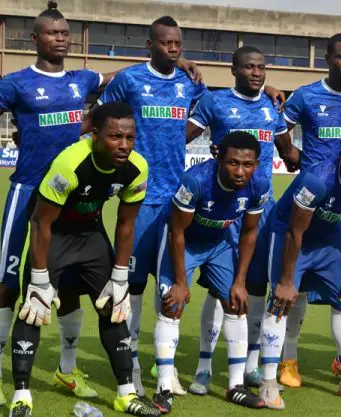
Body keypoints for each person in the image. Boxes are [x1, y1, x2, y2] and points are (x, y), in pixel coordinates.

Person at [84, 16, 209, 396]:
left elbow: (211, 110)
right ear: (150, 45)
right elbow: (98, 118)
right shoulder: (130, 80)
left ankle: (165, 370)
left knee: (169, 287)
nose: (174, 48)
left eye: (178, 44)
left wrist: (268, 87)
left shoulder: (189, 81)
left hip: (176, 200)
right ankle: (133, 366)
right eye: (167, 43)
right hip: (138, 196)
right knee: (133, 287)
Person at [9, 102, 161, 417]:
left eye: (130, 137)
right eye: (115, 137)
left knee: (114, 307)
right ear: (95, 135)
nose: (124, 145)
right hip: (54, 234)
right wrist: (39, 279)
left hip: (91, 235)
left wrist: (120, 277)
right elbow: (41, 221)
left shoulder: (137, 168)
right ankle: (21, 396)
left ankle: (126, 395)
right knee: (33, 308)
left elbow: (126, 223)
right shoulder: (70, 163)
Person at [185, 45, 299, 393]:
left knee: (256, 287)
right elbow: (180, 138)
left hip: (261, 211)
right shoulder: (215, 102)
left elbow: (288, 152)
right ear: (234, 70)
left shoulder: (271, 106)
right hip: (222, 210)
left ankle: (250, 365)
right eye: (249, 67)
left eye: (261, 67)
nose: (256, 73)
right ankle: (204, 366)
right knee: (219, 289)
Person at [258, 128, 341, 409]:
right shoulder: (317, 180)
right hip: (290, 235)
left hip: (329, 238)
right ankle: (268, 381)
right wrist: (286, 281)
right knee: (281, 301)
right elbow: (295, 231)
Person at [277, 32, 341, 388]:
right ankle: (288, 358)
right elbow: (279, 127)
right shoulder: (306, 95)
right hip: (313, 198)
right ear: (328, 59)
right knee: (300, 283)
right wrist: (289, 152)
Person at [152, 131, 270, 412]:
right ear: (219, 159)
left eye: (247, 164)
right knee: (172, 305)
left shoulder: (260, 185)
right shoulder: (195, 181)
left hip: (219, 244)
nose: (239, 171)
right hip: (183, 242)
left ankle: (235, 386)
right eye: (233, 163)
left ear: (257, 164)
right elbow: (177, 232)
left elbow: (249, 233)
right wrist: (181, 282)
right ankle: (163, 387)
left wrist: (240, 281)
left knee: (236, 303)